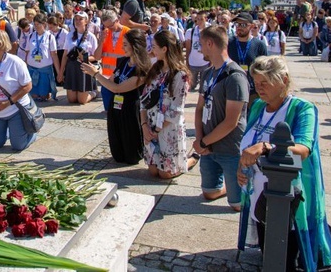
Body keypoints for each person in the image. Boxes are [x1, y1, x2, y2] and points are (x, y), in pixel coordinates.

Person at [237, 56, 331, 271]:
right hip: (258, 195)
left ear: (283, 80)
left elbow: (303, 148)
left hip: (286, 198)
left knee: (285, 255)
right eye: (256, 82)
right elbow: (247, 143)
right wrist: (241, 165)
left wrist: (266, 146)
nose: (259, 87)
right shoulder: (257, 106)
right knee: (267, 249)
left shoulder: (303, 109)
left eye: (265, 82)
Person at [193, 25, 249, 211]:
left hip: (229, 149)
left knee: (237, 205)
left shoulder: (235, 77)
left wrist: (204, 142)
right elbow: (199, 108)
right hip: (209, 147)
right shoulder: (208, 73)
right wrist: (200, 139)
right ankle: (228, 188)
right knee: (208, 193)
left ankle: (242, 190)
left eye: (201, 44)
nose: (199, 49)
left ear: (210, 43)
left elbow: (231, 122)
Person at [83, 30, 151, 164]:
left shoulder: (143, 69)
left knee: (132, 156)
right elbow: (112, 81)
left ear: (135, 46)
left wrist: (96, 74)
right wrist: (96, 73)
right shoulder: (123, 61)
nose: (122, 47)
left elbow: (117, 88)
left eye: (125, 44)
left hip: (131, 109)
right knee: (118, 154)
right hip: (116, 106)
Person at [139, 30, 198, 177]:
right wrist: (145, 125)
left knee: (165, 174)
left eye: (154, 46)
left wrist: (157, 130)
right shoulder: (155, 69)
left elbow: (176, 108)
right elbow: (143, 99)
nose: (151, 49)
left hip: (167, 126)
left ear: (164, 49)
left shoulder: (180, 75)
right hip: (151, 124)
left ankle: (190, 160)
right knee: (153, 171)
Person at [0, 29, 37, 151]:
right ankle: (6, 129)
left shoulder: (15, 62)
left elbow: (27, 86)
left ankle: (33, 132)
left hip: (16, 109)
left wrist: (8, 102)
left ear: (0, 43)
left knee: (18, 146)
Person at [58, 11, 98, 104]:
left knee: (82, 101)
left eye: (81, 19)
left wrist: (84, 58)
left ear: (86, 21)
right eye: (76, 19)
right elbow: (65, 55)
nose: (78, 21)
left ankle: (94, 93)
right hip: (72, 67)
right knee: (71, 100)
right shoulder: (69, 35)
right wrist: (61, 72)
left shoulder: (91, 37)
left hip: (84, 68)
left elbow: (96, 57)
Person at [228, 12, 268, 104]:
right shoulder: (229, 43)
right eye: (237, 24)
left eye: (243, 25)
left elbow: (265, 70)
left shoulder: (259, 45)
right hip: (232, 88)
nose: (239, 27)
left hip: (252, 91)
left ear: (251, 26)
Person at [94, 9, 130, 110]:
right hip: (107, 77)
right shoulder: (105, 33)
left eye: (111, 25)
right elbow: (97, 57)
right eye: (106, 26)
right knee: (108, 108)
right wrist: (101, 42)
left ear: (117, 20)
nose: (109, 28)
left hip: (122, 77)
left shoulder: (128, 33)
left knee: (119, 108)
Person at [26, 13, 61, 101]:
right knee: (33, 96)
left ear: (44, 24)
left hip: (44, 69)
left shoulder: (50, 37)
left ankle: (45, 93)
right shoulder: (30, 36)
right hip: (32, 68)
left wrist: (59, 72)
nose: (36, 26)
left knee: (43, 97)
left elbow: (54, 55)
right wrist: (25, 67)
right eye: (35, 24)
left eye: (39, 24)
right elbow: (27, 52)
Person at [184, 10, 210, 91]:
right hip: (193, 62)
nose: (199, 21)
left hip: (205, 62)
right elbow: (188, 48)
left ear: (206, 19)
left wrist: (211, 62)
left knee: (204, 87)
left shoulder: (209, 31)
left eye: (201, 19)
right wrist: (187, 62)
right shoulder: (190, 31)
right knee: (192, 85)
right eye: (197, 19)